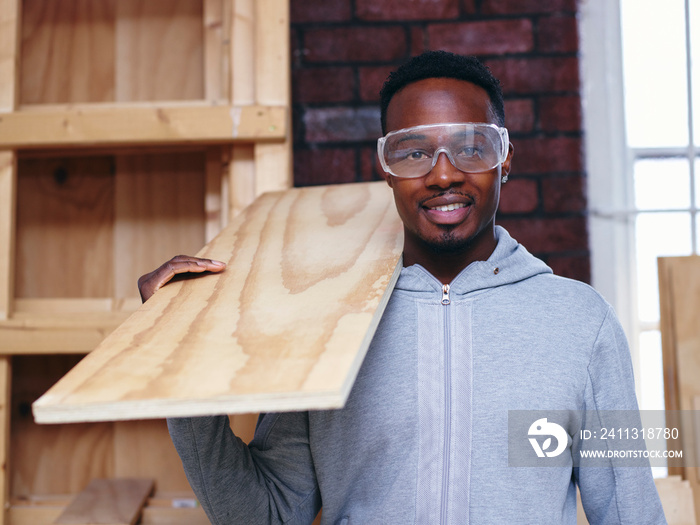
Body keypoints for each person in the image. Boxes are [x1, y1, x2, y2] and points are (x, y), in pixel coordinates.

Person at [139, 51, 666, 524]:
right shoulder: (324, 321)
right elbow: (270, 516)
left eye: (471, 147)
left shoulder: (580, 322)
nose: (442, 175)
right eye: (414, 152)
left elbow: (631, 514)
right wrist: (184, 354)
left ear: (505, 159)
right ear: (386, 169)